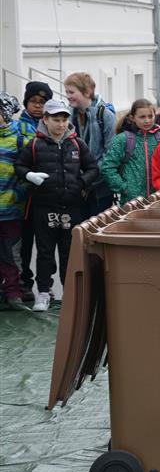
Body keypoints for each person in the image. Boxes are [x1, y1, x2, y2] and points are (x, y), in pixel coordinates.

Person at [15, 99, 99, 312]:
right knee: (44, 251)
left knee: (69, 252)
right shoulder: (35, 144)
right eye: (55, 119)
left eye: (63, 120)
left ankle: (69, 292)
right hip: (44, 207)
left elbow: (93, 168)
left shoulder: (77, 143)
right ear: (45, 119)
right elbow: (20, 166)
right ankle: (43, 292)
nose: (60, 124)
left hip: (72, 207)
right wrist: (30, 175)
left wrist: (81, 183)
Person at [18, 82, 53, 301]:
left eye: (43, 103)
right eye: (34, 102)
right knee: (24, 243)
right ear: (26, 103)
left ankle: (45, 284)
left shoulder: (53, 125)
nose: (38, 106)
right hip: (22, 194)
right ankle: (24, 282)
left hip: (46, 194)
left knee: (46, 243)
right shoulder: (18, 127)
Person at [63, 72, 116, 216]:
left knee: (96, 229)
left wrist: (88, 178)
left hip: (100, 188)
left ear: (87, 92)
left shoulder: (105, 115)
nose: (68, 96)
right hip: (76, 186)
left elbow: (110, 153)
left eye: (71, 92)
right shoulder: (68, 116)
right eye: (66, 92)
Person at [100, 99, 160, 205]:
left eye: (150, 116)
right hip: (131, 202)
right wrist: (124, 188)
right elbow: (108, 167)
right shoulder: (123, 139)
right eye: (142, 117)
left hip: (156, 199)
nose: (147, 120)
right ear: (132, 118)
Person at [0, 93, 28, 310]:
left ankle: (14, 292)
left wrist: (18, 194)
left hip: (10, 209)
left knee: (11, 253)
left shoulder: (20, 138)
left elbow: (29, 169)